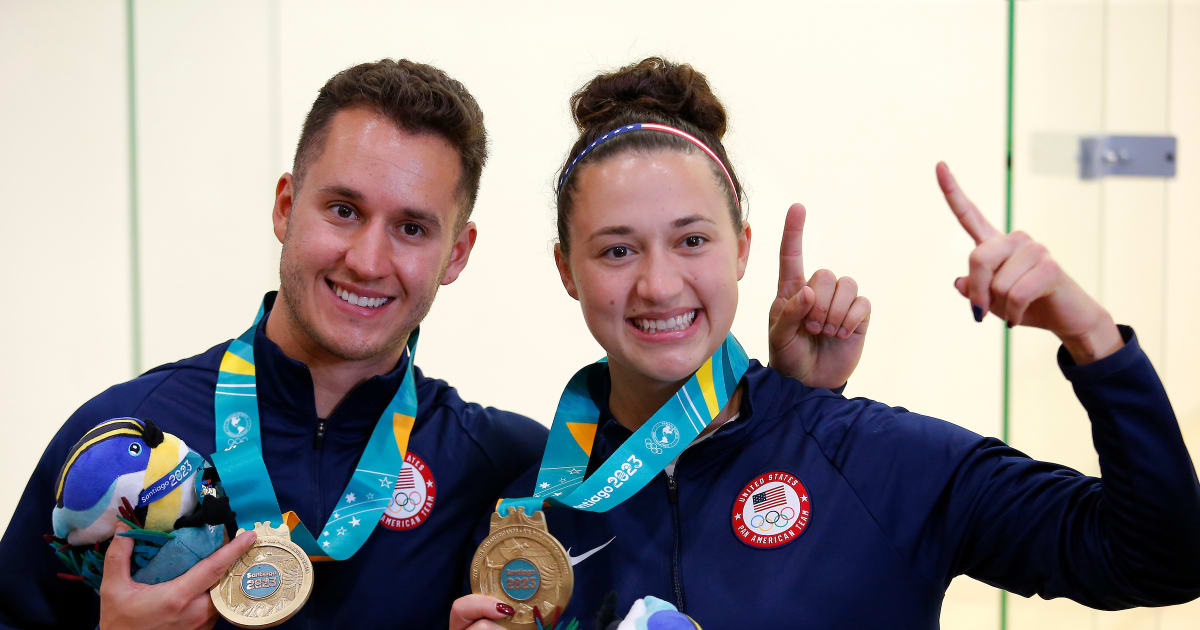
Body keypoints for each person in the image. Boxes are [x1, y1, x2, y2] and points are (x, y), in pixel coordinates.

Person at [0, 59, 868, 629]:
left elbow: (710, 530)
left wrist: (793, 400)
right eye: (342, 209)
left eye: (413, 226)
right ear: (283, 208)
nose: (369, 259)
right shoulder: (122, 440)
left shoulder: (514, 471)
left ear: (457, 254)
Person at [450, 57, 1200, 629]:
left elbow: (1159, 562)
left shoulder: (874, 461)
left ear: (742, 248)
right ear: (566, 270)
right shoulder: (524, 507)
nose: (657, 285)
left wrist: (1091, 337)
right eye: (617, 250)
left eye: (693, 240)